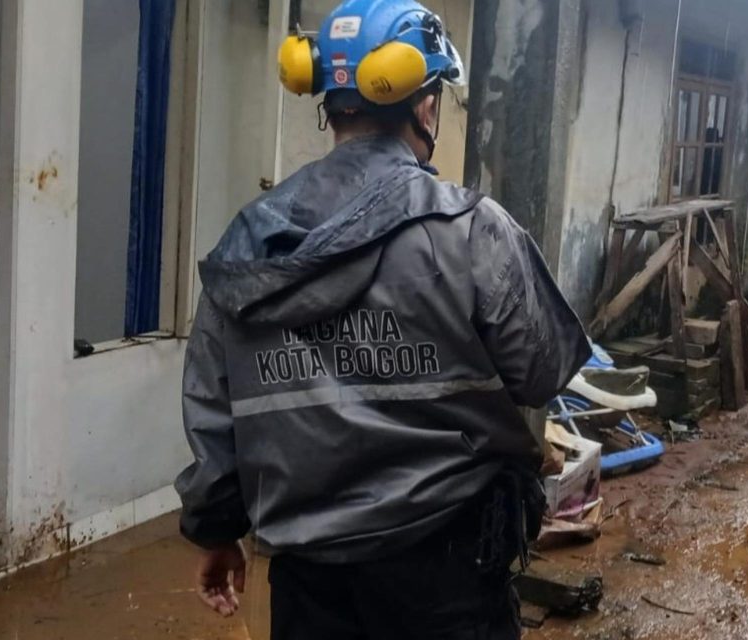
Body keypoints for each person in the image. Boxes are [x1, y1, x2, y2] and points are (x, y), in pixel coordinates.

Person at [174, 2, 590, 638]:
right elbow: (540, 372)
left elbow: (212, 405)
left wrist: (216, 529)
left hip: (308, 581)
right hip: (449, 570)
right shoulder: (469, 229)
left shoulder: (246, 248)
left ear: (329, 103)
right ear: (425, 105)